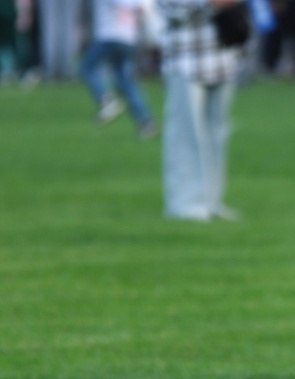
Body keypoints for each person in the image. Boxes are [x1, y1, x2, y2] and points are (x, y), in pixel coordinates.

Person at [157, 0, 244, 221]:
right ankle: (185, 204)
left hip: (222, 55)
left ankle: (211, 201)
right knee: (186, 134)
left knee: (217, 133)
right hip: (185, 59)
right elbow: (173, 10)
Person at [80, 0, 158, 138]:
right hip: (129, 39)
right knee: (127, 83)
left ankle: (107, 100)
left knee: (86, 68)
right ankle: (146, 122)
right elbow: (143, 8)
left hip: (109, 35)